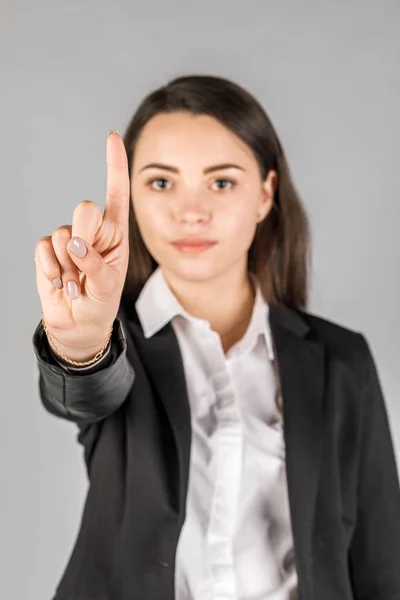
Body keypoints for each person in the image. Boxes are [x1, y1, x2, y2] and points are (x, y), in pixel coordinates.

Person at [32, 74, 400, 600]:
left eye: (221, 182)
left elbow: (381, 566)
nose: (190, 211)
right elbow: (83, 390)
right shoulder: (119, 343)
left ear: (265, 194)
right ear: (132, 195)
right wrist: (81, 341)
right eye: (161, 182)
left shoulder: (341, 361)